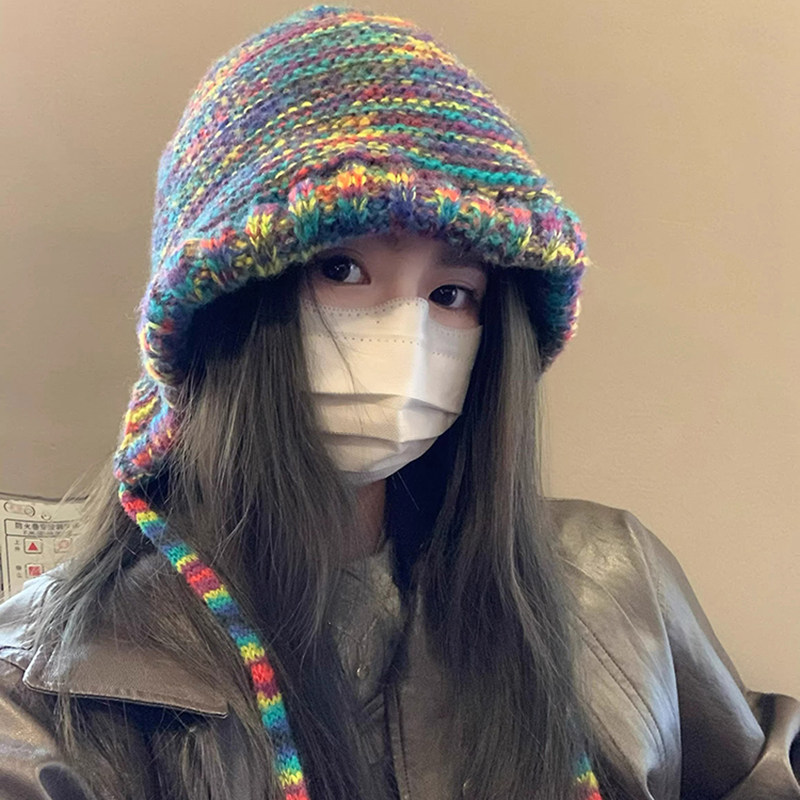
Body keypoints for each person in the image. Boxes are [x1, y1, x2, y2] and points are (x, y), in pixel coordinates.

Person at [0, 5, 797, 800]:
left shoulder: (616, 584)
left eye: (452, 293)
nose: (406, 344)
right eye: (341, 269)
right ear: (215, 312)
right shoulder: (38, 700)